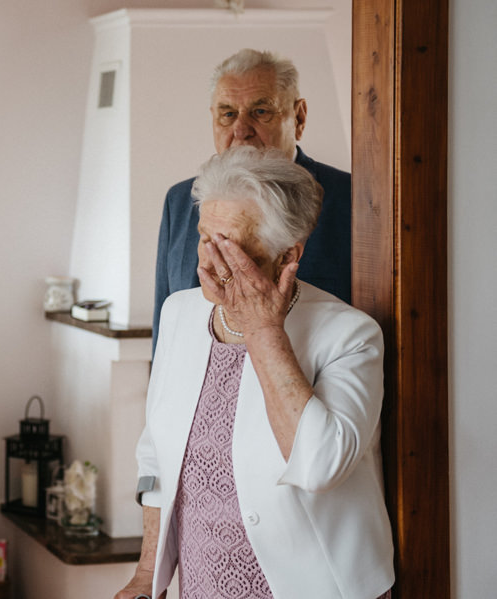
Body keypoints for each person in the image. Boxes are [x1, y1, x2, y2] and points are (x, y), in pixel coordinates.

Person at [117, 147, 394, 599]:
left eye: (231, 248)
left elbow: (321, 466)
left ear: (288, 256)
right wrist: (147, 575)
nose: (206, 264)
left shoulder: (350, 335)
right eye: (205, 238)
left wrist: (263, 329)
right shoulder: (179, 313)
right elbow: (154, 457)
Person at [154, 48, 351, 354]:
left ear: (298, 117)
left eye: (260, 112)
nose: (241, 130)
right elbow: (165, 328)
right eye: (228, 113)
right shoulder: (179, 201)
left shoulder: (352, 199)